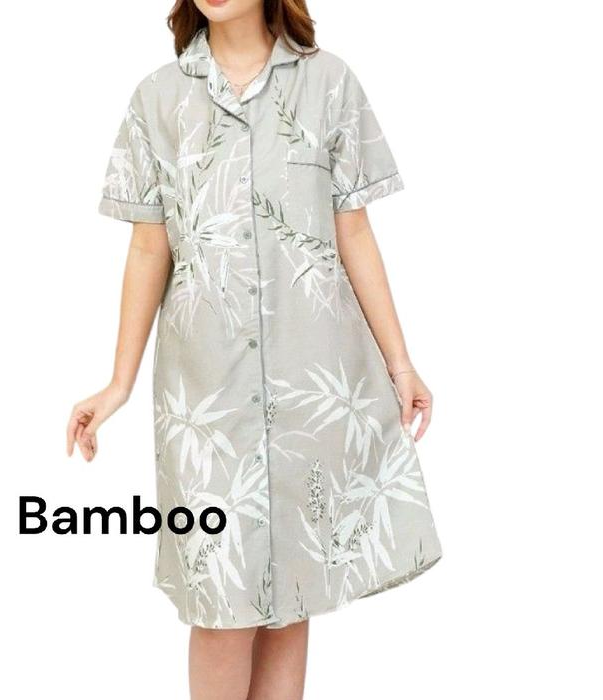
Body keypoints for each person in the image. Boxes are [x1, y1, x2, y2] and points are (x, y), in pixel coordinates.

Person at [66, 1, 442, 697]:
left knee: (291, 600)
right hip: (205, 400)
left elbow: (353, 231)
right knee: (220, 606)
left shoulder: (330, 83)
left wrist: (401, 363)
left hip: (309, 384)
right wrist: (118, 383)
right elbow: (149, 247)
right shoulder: (158, 99)